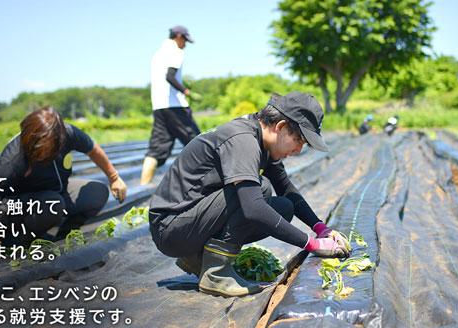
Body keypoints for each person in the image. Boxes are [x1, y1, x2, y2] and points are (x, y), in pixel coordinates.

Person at [148, 92, 350, 297]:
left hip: (189, 221)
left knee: (283, 207)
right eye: (299, 140)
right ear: (280, 127)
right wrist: (312, 244)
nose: (299, 149)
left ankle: (197, 258)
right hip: (171, 226)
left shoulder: (263, 141)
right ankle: (216, 274)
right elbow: (253, 208)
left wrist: (321, 228)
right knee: (258, 191)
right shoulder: (244, 140)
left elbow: (287, 189)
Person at [0, 106, 127, 260]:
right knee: (53, 203)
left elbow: (92, 148)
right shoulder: (14, 159)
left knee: (97, 192)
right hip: (15, 209)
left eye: (49, 147)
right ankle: (18, 242)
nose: (44, 152)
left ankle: (64, 236)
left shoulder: (66, 133)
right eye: (40, 148)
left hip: (55, 193)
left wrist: (114, 177)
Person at [140, 25, 201, 185]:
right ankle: (206, 186)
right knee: (199, 142)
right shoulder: (176, 52)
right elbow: (170, 76)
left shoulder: (157, 54)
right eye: (185, 40)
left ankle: (141, 188)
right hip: (175, 106)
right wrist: (186, 91)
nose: (185, 44)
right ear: (178, 36)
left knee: (156, 151)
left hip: (159, 107)